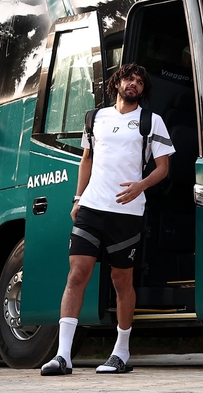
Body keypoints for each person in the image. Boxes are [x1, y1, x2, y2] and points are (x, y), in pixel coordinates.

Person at [40, 63, 175, 376]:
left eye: (139, 81)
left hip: (127, 212)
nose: (133, 84)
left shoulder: (151, 121)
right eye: (129, 78)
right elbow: (86, 160)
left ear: (143, 89)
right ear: (117, 83)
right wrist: (78, 198)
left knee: (121, 281)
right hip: (91, 208)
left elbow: (163, 168)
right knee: (77, 275)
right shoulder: (95, 118)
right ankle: (63, 356)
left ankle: (121, 352)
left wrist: (140, 186)